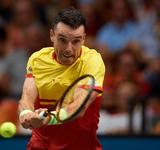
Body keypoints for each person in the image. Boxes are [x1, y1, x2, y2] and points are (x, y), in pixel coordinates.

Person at [17, 7, 105, 150]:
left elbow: (79, 106)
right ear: (52, 35)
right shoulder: (37, 59)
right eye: (62, 40)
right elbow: (26, 98)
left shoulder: (92, 61)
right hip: (42, 145)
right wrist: (25, 113)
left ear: (84, 39)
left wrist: (49, 118)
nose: (69, 49)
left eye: (76, 41)